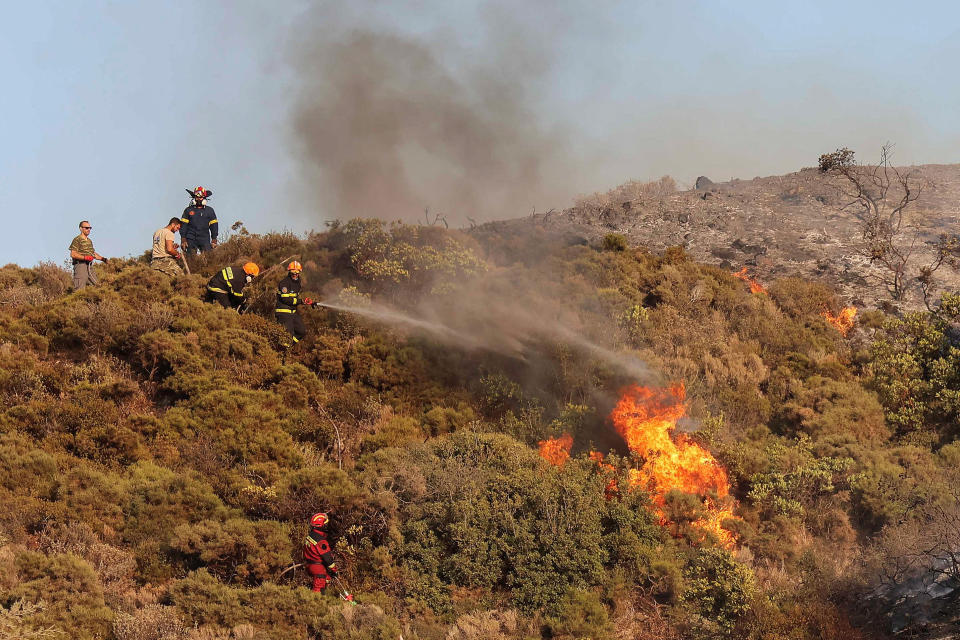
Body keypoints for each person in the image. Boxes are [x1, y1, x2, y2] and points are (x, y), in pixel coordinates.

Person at [275, 261, 314, 345]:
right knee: (287, 335)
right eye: (293, 272)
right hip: (283, 312)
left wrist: (306, 302)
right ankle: (282, 350)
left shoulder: (298, 283)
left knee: (302, 332)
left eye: (297, 272)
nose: (295, 274)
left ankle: (289, 346)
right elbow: (286, 300)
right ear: (289, 272)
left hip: (293, 312)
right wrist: (301, 301)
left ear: (300, 272)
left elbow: (295, 298)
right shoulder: (284, 283)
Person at [302, 512, 341, 593]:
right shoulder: (321, 541)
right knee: (318, 590)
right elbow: (328, 558)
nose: (326, 525)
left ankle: (325, 597)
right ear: (322, 525)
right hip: (318, 568)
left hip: (309, 564)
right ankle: (316, 603)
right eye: (325, 524)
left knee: (327, 579)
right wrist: (334, 570)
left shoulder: (310, 535)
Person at [180, 186, 219, 255]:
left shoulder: (209, 210)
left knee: (208, 258)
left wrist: (214, 239)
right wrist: (183, 239)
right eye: (197, 197)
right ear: (194, 198)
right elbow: (183, 225)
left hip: (204, 238)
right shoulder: (188, 210)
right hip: (190, 238)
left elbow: (214, 226)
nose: (198, 199)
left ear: (204, 198)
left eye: (200, 197)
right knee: (190, 259)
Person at [68, 220, 107, 289]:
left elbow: (93, 253)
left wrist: (103, 259)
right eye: (86, 228)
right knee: (80, 290)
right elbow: (73, 254)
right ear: (81, 228)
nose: (88, 229)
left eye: (90, 228)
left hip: (89, 266)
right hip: (80, 266)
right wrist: (85, 257)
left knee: (97, 286)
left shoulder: (89, 241)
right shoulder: (77, 239)